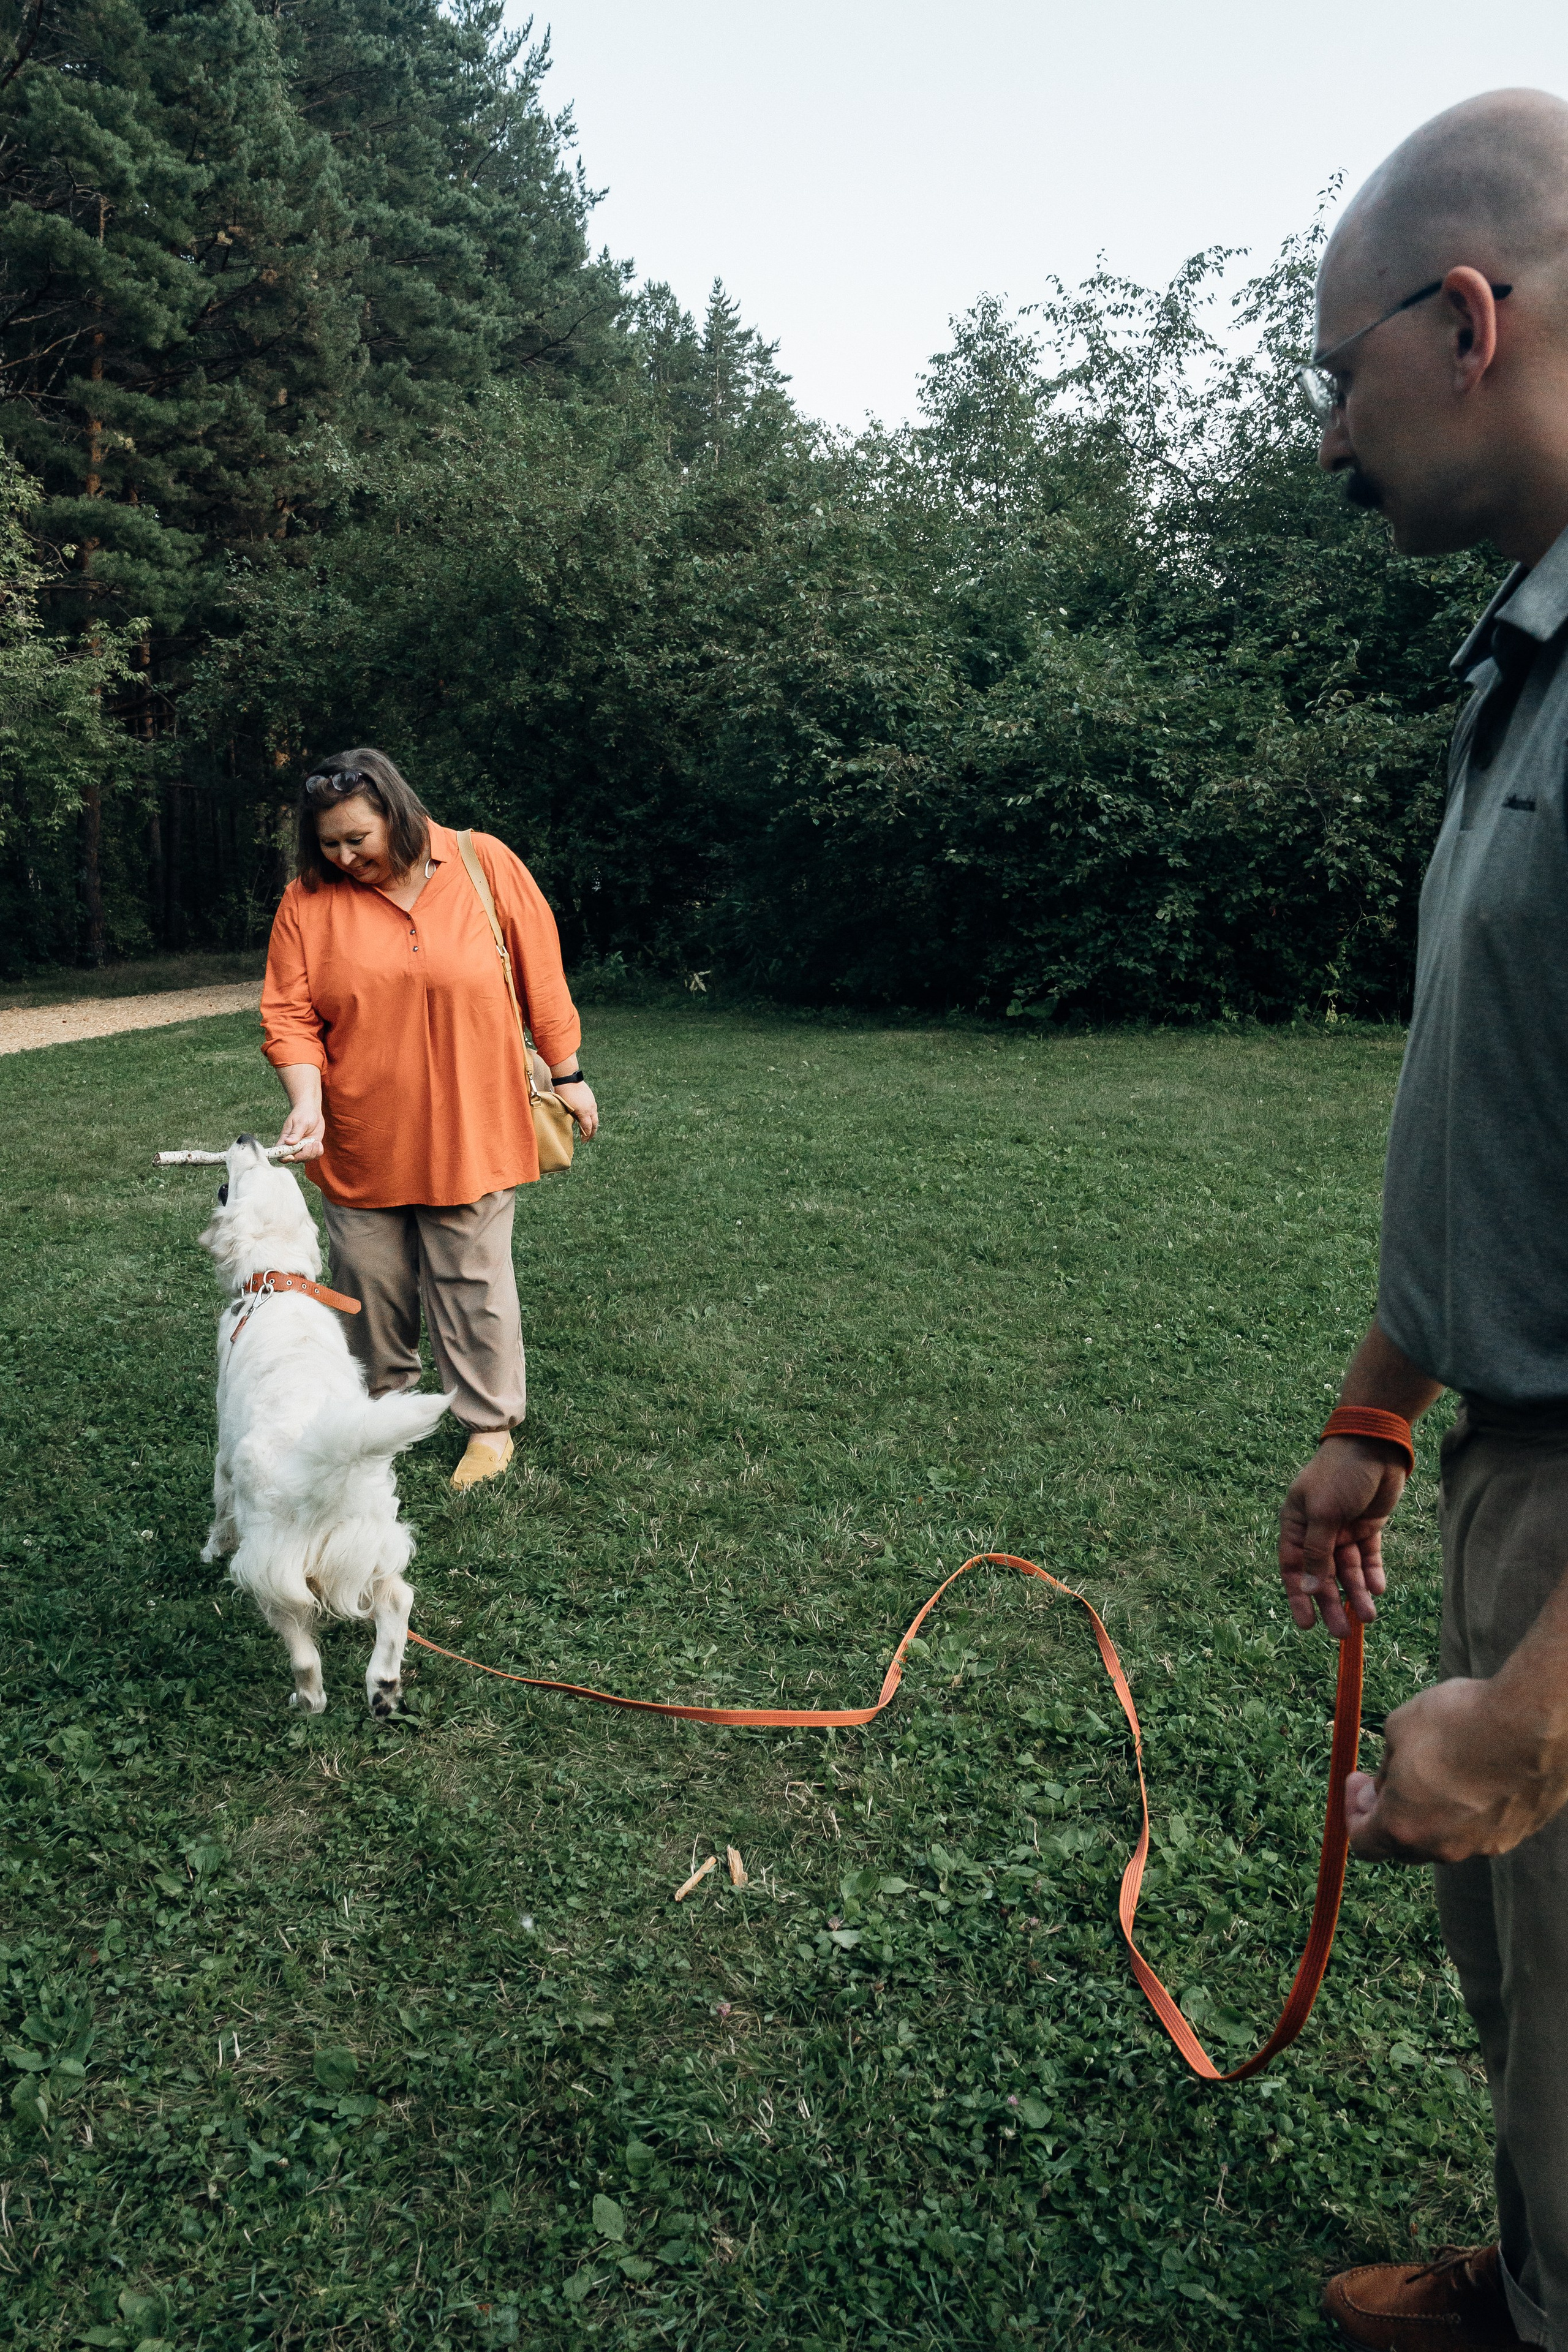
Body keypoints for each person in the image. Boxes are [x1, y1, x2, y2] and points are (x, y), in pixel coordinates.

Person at [1278, 87, 1568, 2352]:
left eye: (1328, 371)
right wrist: (1380, 1405)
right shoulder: (1517, 659)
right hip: (1499, 1454)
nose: (1317, 434)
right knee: (1538, 2004)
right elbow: (1499, 1089)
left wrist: (1536, 1696)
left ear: (1460, 318)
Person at [259, 748, 598, 1490]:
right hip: (360, 1129)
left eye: (358, 840)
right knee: (367, 1283)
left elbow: (542, 973)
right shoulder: (307, 901)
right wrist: (306, 1104)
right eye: (328, 845)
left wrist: (568, 1073)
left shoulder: (483, 863)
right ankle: (379, 1413)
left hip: (474, 1120)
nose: (344, 857)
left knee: (472, 1280)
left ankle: (488, 1425)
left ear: (399, 815)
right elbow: (288, 1014)